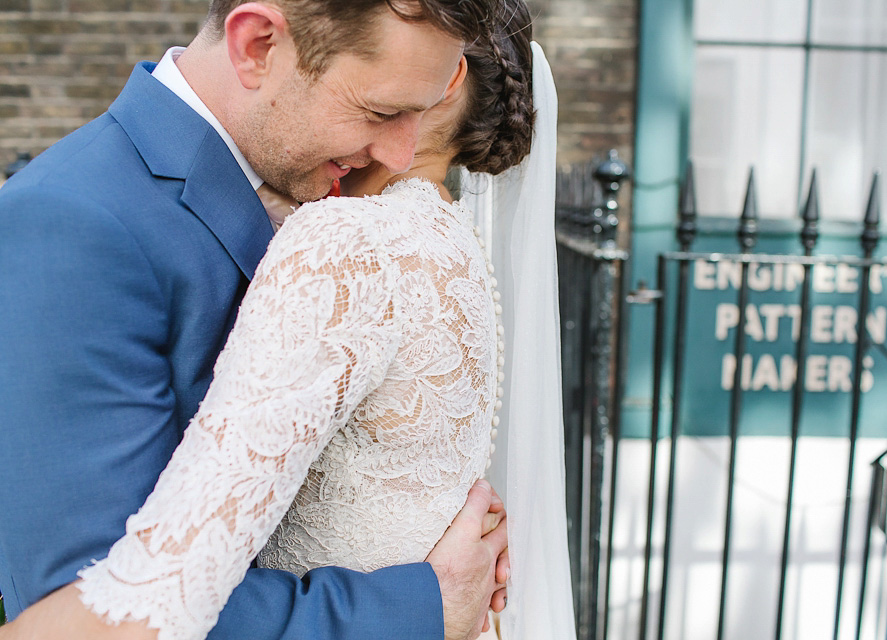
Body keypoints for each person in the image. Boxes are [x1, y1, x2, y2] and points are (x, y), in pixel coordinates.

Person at [2, 0, 577, 638]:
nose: (402, 151)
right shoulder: (69, 224)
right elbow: (93, 598)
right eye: (383, 112)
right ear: (257, 46)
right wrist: (423, 605)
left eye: (424, 109)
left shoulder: (351, 215)